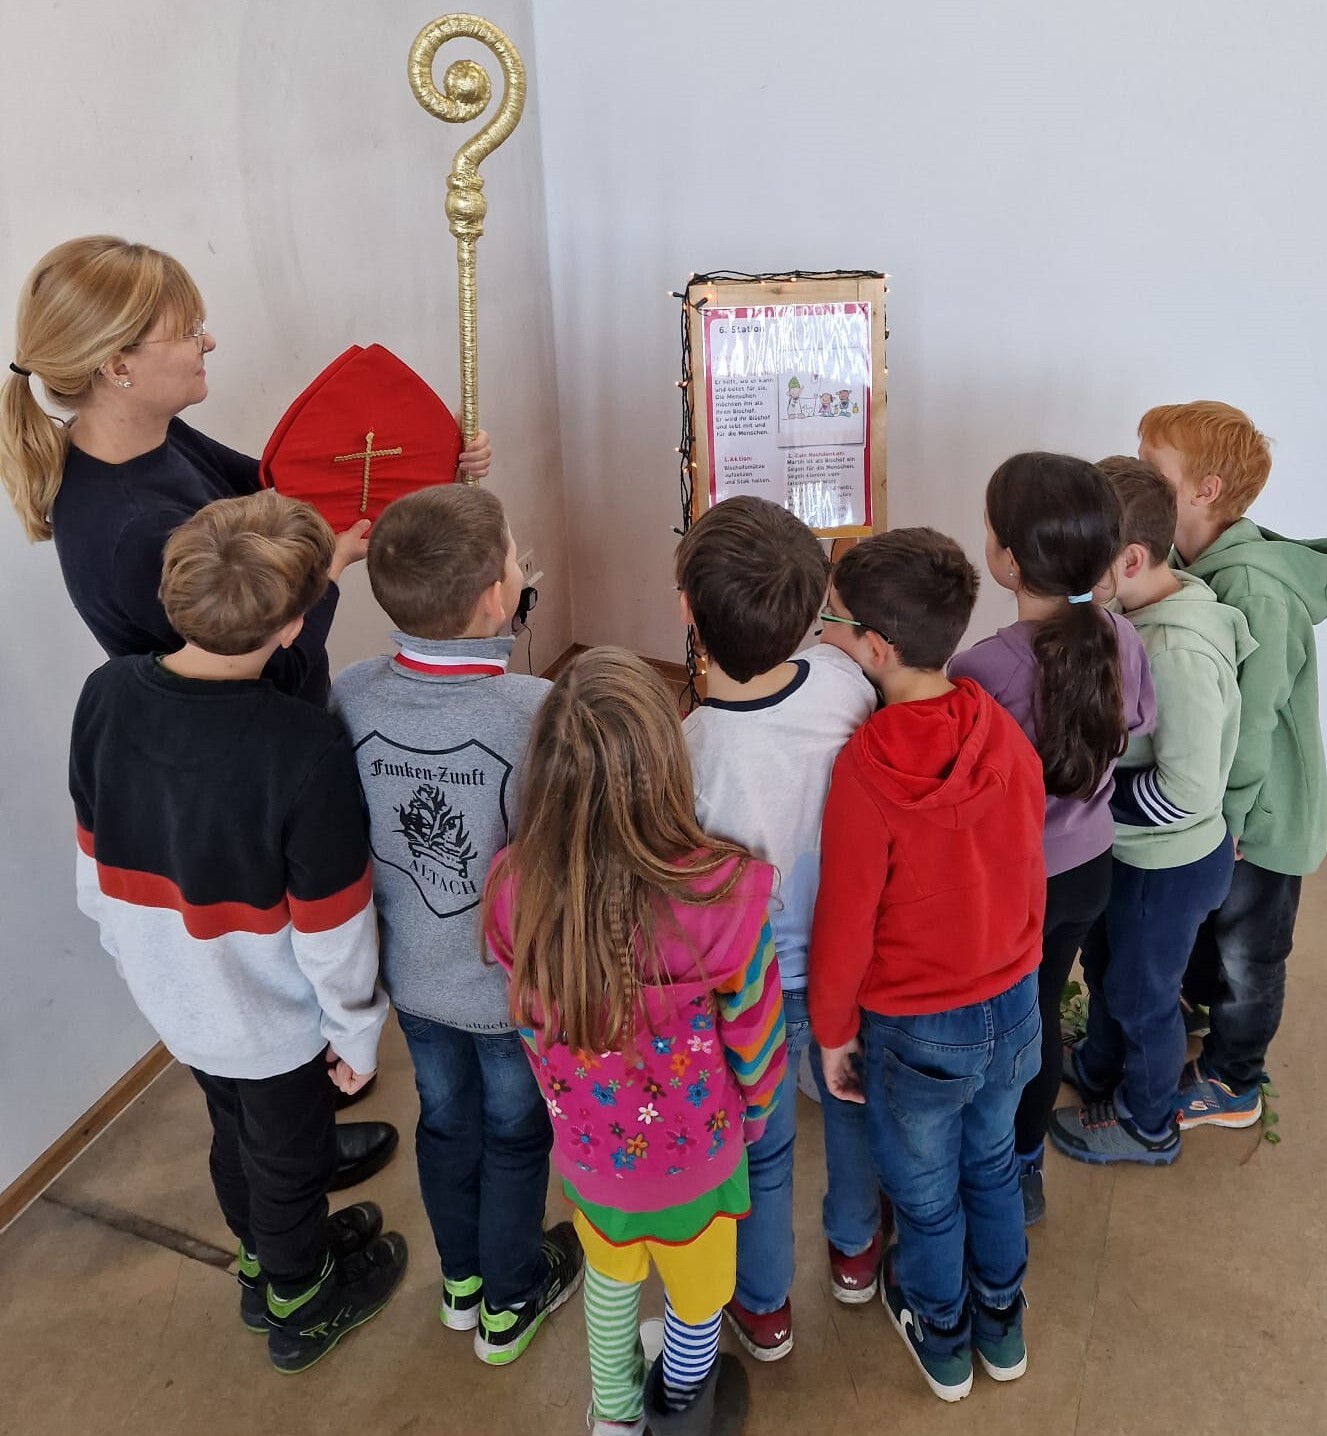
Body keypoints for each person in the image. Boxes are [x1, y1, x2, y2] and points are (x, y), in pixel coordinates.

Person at [0, 233, 493, 1177]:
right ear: (117, 365)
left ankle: (302, 1123)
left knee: (288, 1004)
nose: (210, 343)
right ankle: (293, 1173)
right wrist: (332, 570)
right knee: (276, 989)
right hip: (236, 776)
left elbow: (281, 496)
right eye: (188, 332)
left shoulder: (157, 439)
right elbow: (264, 658)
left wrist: (427, 465)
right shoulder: (127, 528)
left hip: (253, 752)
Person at [68, 490, 407, 1374]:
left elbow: (92, 862)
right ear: (292, 627)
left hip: (175, 998)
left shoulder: (105, 694)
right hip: (270, 1019)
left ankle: (266, 1253)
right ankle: (300, 1299)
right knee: (288, 1159)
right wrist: (355, 1033)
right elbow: (333, 926)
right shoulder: (303, 745)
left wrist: (145, 964)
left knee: (236, 1134)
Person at [484, 647, 787, 1436]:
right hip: (703, 1157)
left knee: (610, 1282)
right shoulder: (725, 893)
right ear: (668, 767)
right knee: (697, 1301)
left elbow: (526, 1019)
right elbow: (755, 1037)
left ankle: (614, 1418)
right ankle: (680, 1411)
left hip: (589, 1154)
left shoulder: (513, 889)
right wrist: (756, 1114)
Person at [331, 484, 582, 1365]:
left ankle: (461, 1285)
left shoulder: (351, 694)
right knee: (514, 1133)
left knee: (443, 1124)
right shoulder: (536, 708)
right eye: (515, 556)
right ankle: (510, 1302)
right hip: (509, 990)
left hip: (412, 980)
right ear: (494, 598)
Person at [810, 528, 1045, 1403]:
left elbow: (844, 923)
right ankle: (1002, 1323)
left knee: (925, 1197)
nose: (826, 632)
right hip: (1012, 1002)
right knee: (991, 1167)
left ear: (874, 647)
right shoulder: (1000, 730)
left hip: (914, 1027)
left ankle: (941, 1334)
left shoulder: (863, 768)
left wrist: (832, 1033)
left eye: (834, 620)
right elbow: (1029, 868)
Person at [675, 496, 878, 1360]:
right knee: (853, 1109)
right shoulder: (844, 684)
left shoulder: (686, 749)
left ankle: (762, 1308)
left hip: (743, 988)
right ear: (813, 610)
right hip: (849, 964)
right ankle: (856, 1255)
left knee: (759, 1147)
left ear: (687, 611)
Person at [949, 452, 1154, 1222]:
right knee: (1040, 1006)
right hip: (1089, 868)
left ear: (1006, 560)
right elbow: (1137, 722)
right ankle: (1024, 1163)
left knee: (1009, 1025)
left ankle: (994, 1163)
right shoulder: (1119, 635)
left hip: (1014, 883)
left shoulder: (979, 670)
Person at [1050, 458, 1252, 1165]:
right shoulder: (1140, 612)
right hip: (1134, 853)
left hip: (1166, 864)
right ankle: (1099, 1065)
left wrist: (1091, 800)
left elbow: (1187, 791)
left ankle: (1147, 1123)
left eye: (1085, 562)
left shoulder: (1176, 650)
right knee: (1110, 969)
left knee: (1143, 996)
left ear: (1130, 560)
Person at [1138, 402, 1327, 1127]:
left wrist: (1233, 816)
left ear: (1204, 490)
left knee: (1251, 955)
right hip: (1223, 801)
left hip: (1260, 813)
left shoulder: (1254, 587)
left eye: (1150, 467)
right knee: (1204, 924)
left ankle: (1233, 1082)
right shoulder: (1192, 563)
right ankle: (1191, 1014)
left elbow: (1253, 719)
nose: (1135, 475)